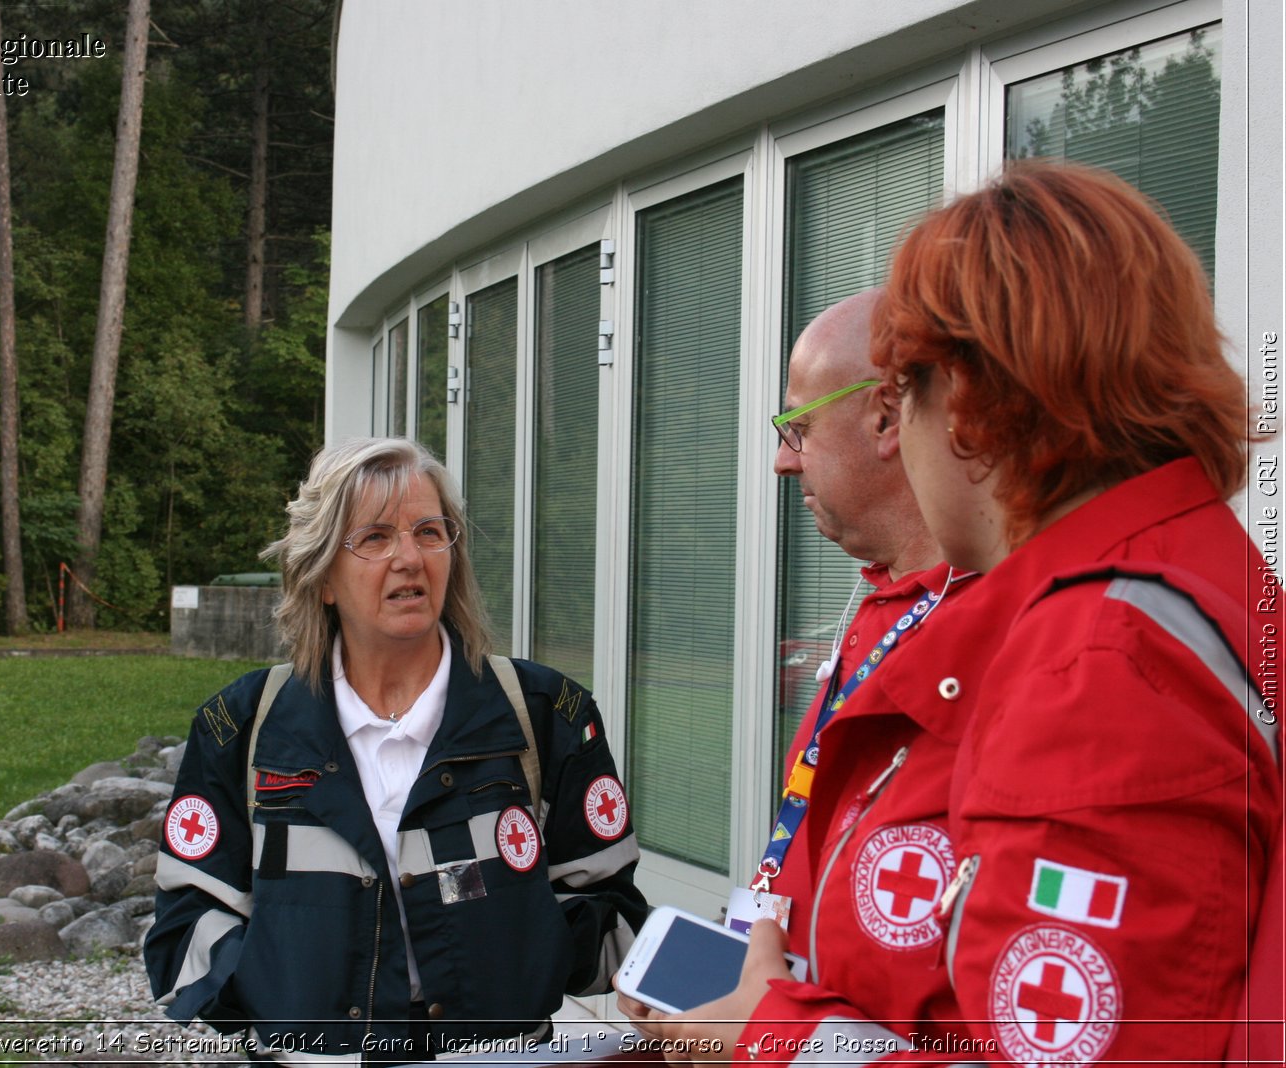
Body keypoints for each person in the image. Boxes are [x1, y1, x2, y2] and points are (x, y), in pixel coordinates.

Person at [709, 160, 1278, 1064]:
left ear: (965, 397)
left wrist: (775, 1039)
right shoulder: (1201, 573)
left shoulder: (1098, 660)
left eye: (905, 396)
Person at [144, 436, 647, 1062]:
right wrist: (274, 999)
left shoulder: (546, 714)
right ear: (323, 576)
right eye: (376, 538)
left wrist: (525, 949)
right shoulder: (243, 725)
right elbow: (185, 920)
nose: (409, 558)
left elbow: (614, 912)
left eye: (429, 532)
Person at [619, 289, 988, 1056]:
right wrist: (745, 999)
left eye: (798, 428)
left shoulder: (1013, 633)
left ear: (888, 417)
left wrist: (771, 1033)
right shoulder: (881, 607)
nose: (784, 461)